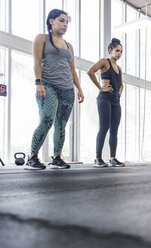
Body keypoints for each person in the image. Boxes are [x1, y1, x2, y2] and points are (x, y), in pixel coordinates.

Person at [26, 9, 84, 170]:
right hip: (48, 85)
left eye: (67, 22)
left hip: (67, 89)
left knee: (61, 124)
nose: (65, 24)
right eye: (61, 20)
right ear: (51, 21)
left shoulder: (69, 46)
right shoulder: (42, 38)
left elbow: (72, 69)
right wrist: (38, 82)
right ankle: (32, 156)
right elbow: (37, 62)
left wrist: (79, 88)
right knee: (47, 119)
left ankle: (56, 158)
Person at [87, 38, 125, 168]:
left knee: (114, 130)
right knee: (104, 127)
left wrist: (119, 93)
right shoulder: (104, 62)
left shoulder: (119, 68)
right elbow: (90, 71)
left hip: (115, 101)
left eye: (121, 51)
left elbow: (121, 85)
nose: (119, 53)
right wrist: (100, 87)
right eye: (117, 50)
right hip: (104, 98)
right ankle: (98, 158)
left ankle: (112, 158)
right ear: (110, 50)